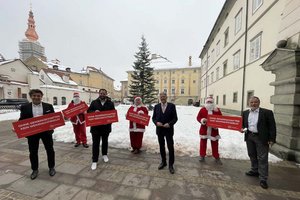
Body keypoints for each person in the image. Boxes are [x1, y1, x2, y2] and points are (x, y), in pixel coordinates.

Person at [19, 89, 56, 180]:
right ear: (31, 96)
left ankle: (51, 167)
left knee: (50, 150)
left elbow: (53, 118)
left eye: (38, 96)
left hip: (46, 132)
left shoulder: (48, 106)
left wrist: (53, 125)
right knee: (33, 152)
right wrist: (17, 128)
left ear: (41, 96)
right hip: (32, 133)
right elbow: (21, 120)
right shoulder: (25, 107)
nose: (36, 97)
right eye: (34, 95)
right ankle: (34, 169)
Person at [241, 96, 276, 189]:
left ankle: (263, 178)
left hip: (262, 138)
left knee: (262, 158)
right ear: (249, 103)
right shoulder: (245, 113)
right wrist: (241, 129)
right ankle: (255, 170)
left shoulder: (267, 112)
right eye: (251, 102)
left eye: (255, 102)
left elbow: (272, 126)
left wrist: (272, 139)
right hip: (249, 136)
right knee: (251, 154)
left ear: (259, 103)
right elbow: (243, 124)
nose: (253, 104)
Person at [87, 89, 115, 170]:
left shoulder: (110, 103)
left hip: (106, 127)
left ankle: (104, 154)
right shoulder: (94, 102)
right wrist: (94, 111)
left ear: (106, 94)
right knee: (95, 143)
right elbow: (89, 111)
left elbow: (113, 114)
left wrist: (109, 121)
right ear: (99, 94)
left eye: (104, 93)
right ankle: (94, 160)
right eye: (101, 93)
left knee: (105, 141)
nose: (102, 94)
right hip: (95, 127)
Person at [152, 92, 178, 174]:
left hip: (168, 130)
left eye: (164, 96)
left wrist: (169, 124)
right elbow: (153, 118)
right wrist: (156, 123)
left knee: (170, 147)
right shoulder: (156, 106)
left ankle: (171, 165)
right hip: (159, 130)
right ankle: (163, 162)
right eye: (161, 96)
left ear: (166, 97)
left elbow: (175, 118)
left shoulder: (172, 106)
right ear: (159, 97)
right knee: (161, 146)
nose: (162, 98)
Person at [196, 96, 222, 164]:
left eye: (211, 102)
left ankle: (216, 157)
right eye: (208, 102)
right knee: (203, 144)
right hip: (204, 130)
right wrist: (202, 120)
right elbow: (198, 117)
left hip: (214, 130)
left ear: (213, 103)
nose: (209, 103)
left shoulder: (217, 110)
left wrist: (216, 125)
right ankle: (202, 156)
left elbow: (221, 119)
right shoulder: (203, 109)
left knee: (215, 144)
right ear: (206, 102)